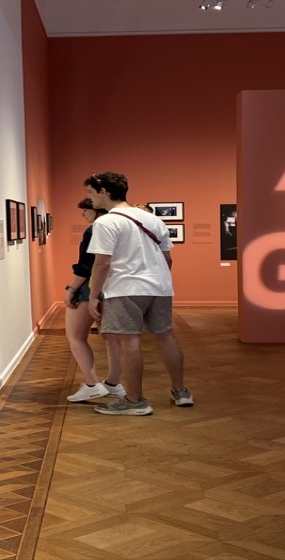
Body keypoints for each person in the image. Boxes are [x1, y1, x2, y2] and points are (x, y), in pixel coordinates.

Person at [83, 172, 193, 415]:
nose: (89, 198)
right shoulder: (150, 218)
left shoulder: (105, 222)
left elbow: (102, 263)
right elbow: (167, 257)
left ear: (104, 192)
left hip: (126, 287)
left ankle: (135, 401)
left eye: (91, 192)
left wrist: (93, 296)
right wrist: (159, 281)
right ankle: (181, 391)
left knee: (129, 342)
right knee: (166, 336)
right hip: (159, 286)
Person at [64, 198, 125, 402]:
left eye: (86, 210)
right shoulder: (120, 226)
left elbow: (86, 266)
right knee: (111, 338)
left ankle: (92, 384)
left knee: (75, 335)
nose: (83, 214)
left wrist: (71, 289)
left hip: (91, 287)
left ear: (96, 210)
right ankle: (114, 384)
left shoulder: (94, 230)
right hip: (116, 286)